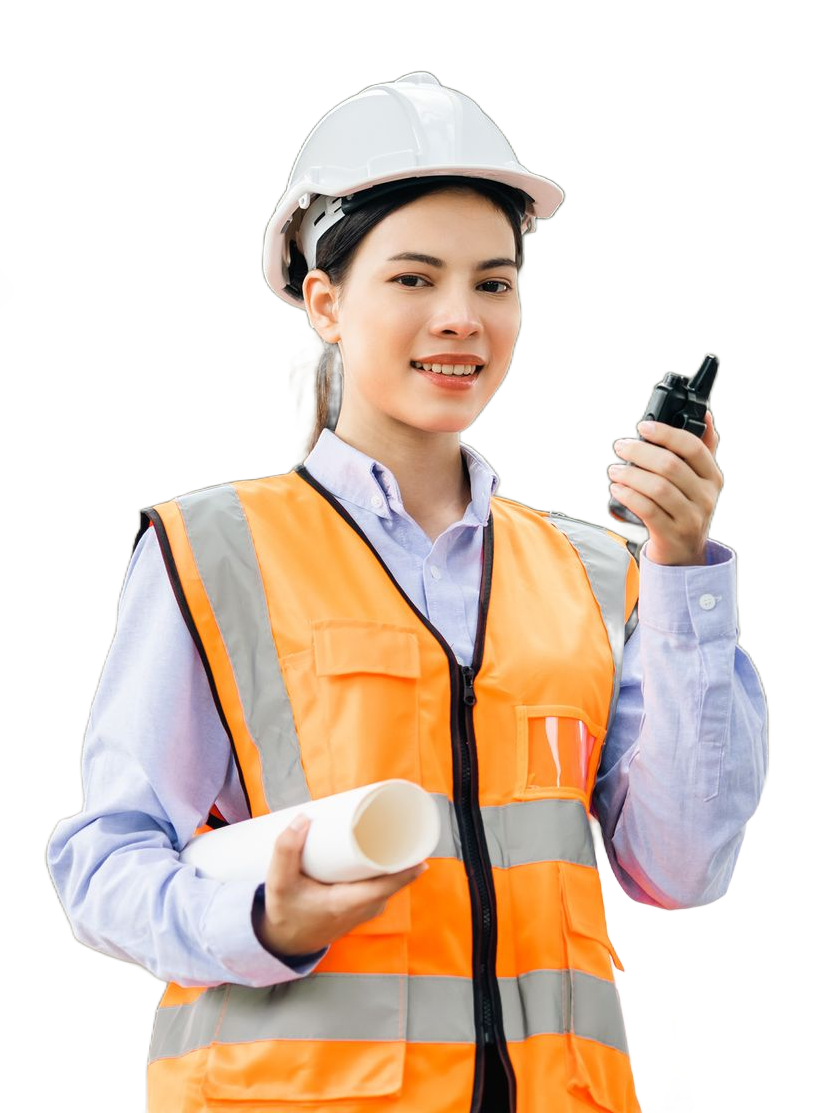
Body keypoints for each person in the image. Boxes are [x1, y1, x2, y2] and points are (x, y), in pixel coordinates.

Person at [45, 73, 769, 1112]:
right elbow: (103, 861)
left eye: (494, 282)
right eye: (415, 279)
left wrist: (685, 572)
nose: (461, 319)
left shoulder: (597, 572)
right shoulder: (215, 551)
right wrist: (262, 920)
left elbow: (683, 872)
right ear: (326, 299)